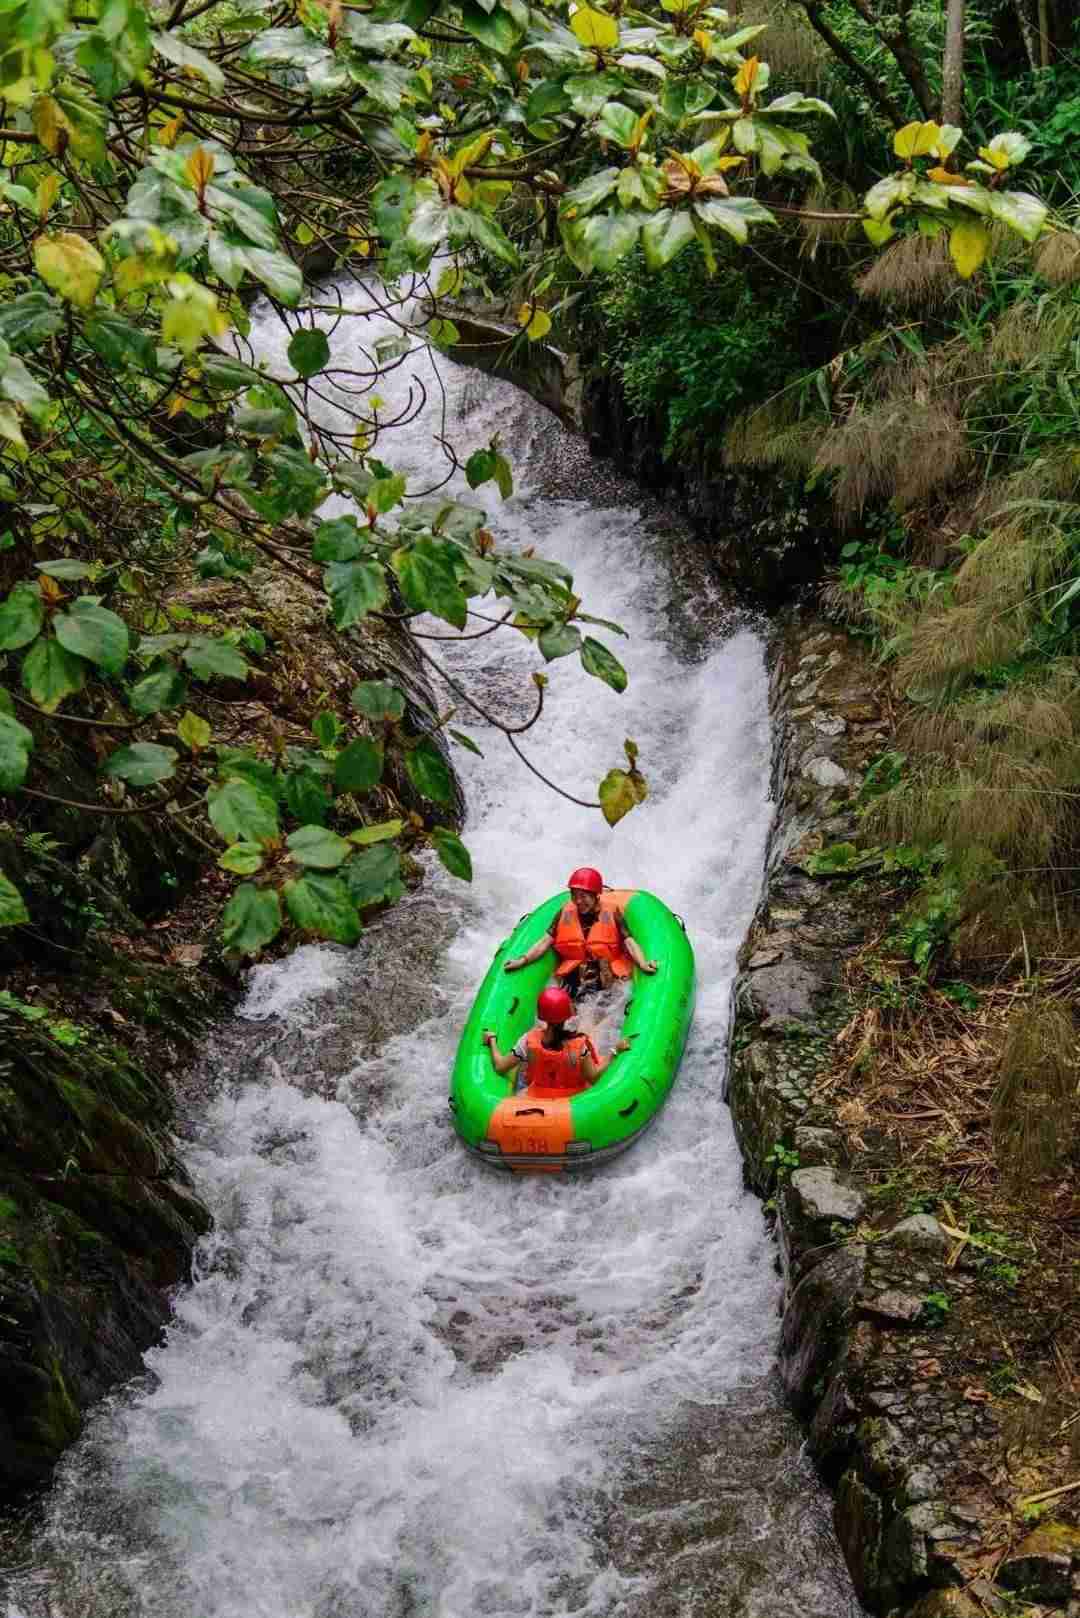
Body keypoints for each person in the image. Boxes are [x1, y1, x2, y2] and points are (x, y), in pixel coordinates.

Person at [503, 867, 658, 998]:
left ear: (596, 895)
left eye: (583, 896)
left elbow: (629, 941)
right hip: (575, 975)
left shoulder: (612, 913)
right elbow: (545, 942)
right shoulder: (565, 912)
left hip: (605, 974)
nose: (578, 901)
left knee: (602, 999)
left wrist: (643, 964)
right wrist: (522, 961)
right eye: (574, 896)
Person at [483, 986, 629, 1095]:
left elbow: (500, 1067)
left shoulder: (527, 1040)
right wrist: (615, 1051)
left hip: (537, 1098)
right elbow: (593, 1078)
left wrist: (492, 1041)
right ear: (567, 1017)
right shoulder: (579, 1045)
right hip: (573, 1103)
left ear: (542, 1016)